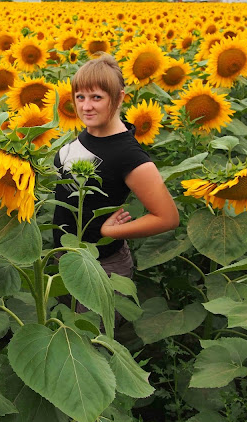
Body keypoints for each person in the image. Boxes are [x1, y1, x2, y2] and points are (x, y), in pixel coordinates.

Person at [52, 53, 180, 285]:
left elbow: (168, 217)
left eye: (96, 97)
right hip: (67, 259)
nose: (86, 106)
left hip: (101, 268)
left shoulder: (128, 154)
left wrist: (110, 232)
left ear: (119, 97)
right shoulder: (89, 134)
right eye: (79, 97)